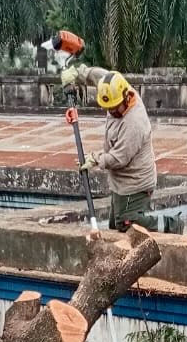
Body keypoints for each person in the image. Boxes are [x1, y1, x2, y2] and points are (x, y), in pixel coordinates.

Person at [60, 64, 158, 231]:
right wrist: (77, 73)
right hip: (121, 182)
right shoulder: (114, 88)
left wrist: (96, 159)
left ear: (125, 97)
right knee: (115, 226)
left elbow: (119, 159)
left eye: (114, 108)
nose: (111, 111)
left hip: (136, 183)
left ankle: (170, 225)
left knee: (126, 224)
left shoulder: (134, 122)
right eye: (108, 108)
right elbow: (99, 76)